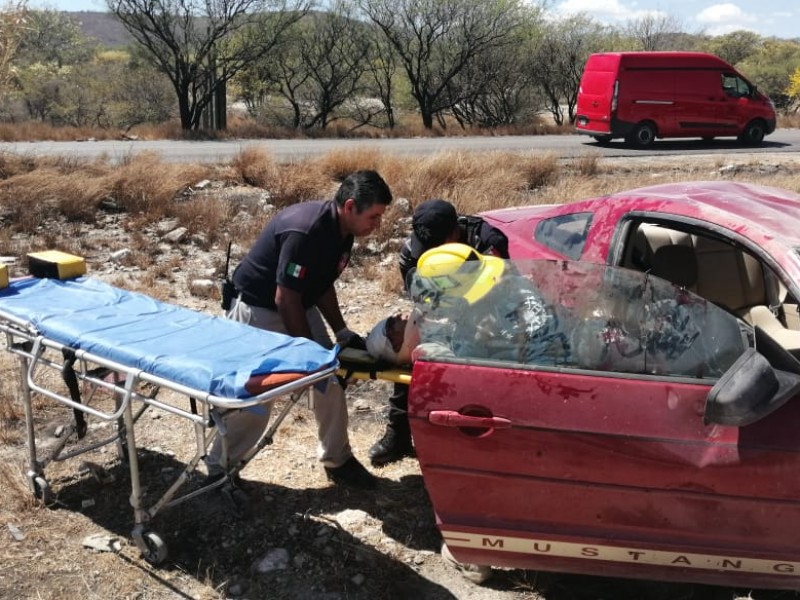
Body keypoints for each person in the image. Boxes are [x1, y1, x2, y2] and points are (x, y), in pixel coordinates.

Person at [206, 169, 393, 490]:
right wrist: (308, 355)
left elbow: (320, 284)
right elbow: (285, 297)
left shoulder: (344, 230)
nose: (378, 224)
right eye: (374, 216)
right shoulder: (306, 231)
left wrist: (342, 332)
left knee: (331, 379)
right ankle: (218, 470)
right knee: (256, 397)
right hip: (259, 310)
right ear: (350, 206)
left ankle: (338, 460)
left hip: (296, 305)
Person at [368, 199, 510, 466]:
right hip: (438, 312)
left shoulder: (487, 243)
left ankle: (476, 440)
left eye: (437, 246)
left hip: (485, 313)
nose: (429, 252)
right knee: (415, 352)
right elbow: (421, 298)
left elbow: (499, 289)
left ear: (454, 233)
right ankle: (397, 434)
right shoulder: (413, 251)